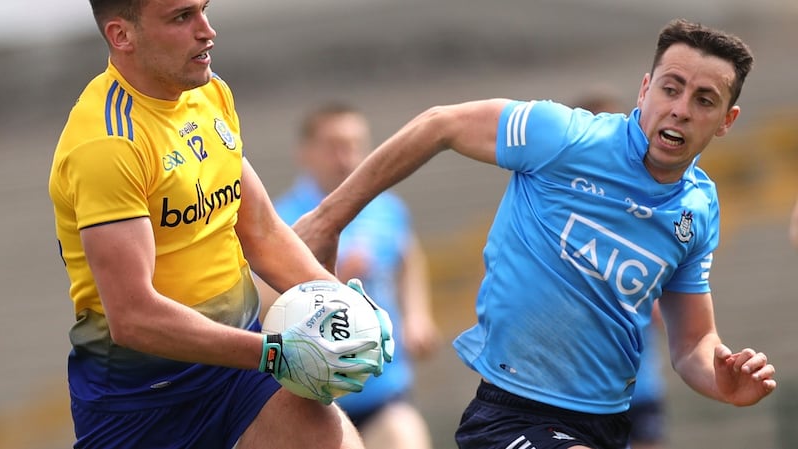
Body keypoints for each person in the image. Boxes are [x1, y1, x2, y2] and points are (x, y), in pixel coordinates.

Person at [292, 18, 778, 449]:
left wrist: (723, 380)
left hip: (609, 423)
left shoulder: (698, 208)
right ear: (645, 89)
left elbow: (692, 342)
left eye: (704, 100)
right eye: (671, 89)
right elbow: (439, 124)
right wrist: (329, 217)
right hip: (511, 412)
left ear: (726, 122)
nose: (681, 109)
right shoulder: (565, 137)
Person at [47, 1, 392, 448]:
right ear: (121, 36)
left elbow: (263, 232)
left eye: (204, 10)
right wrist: (273, 352)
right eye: (181, 17)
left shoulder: (209, 94)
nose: (207, 31)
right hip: (143, 401)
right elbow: (133, 318)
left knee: (330, 437)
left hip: (239, 375)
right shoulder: (108, 144)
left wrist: (346, 303)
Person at [258, 102, 440, 449]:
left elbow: (407, 257)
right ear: (305, 153)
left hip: (383, 387)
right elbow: (259, 302)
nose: (346, 156)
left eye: (356, 145)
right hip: (311, 396)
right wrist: (327, 282)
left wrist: (417, 315)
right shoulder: (280, 222)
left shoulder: (387, 209)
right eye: (334, 146)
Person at [571, 92, 668, 449]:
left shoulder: (649, 212)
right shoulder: (560, 213)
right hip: (577, 393)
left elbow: (663, 308)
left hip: (638, 387)